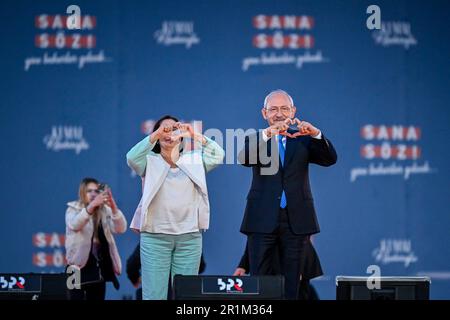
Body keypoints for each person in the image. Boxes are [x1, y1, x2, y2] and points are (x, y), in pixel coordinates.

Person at [237, 89, 337, 299]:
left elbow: (329, 159)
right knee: (259, 285)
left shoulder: (304, 140)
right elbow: (244, 158)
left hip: (296, 221)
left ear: (293, 111)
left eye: (284, 108)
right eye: (273, 109)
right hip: (261, 220)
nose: (279, 114)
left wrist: (316, 134)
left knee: (292, 286)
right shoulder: (256, 139)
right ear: (264, 114)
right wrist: (268, 134)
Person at [126, 115, 224, 300]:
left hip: (189, 238)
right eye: (164, 129)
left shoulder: (194, 160)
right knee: (154, 296)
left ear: (181, 136)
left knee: (187, 297)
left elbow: (218, 155)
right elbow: (131, 157)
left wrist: (195, 135)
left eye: (174, 129)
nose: (169, 132)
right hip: (155, 238)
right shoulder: (149, 161)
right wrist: (155, 135)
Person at [65, 177, 127, 300]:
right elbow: (74, 225)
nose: (93, 194)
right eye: (89, 191)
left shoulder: (104, 211)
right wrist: (92, 206)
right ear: (82, 192)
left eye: (96, 191)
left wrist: (114, 207)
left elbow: (120, 229)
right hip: (76, 267)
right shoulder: (72, 209)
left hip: (98, 267)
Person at [233, 237, 322, 300]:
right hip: (266, 262)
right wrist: (244, 263)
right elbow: (256, 231)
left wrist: (301, 264)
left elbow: (304, 229)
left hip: (294, 260)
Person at [126, 242, 206, 300]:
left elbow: (131, 266)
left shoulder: (152, 239)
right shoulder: (190, 240)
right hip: (182, 294)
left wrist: (138, 279)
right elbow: (201, 266)